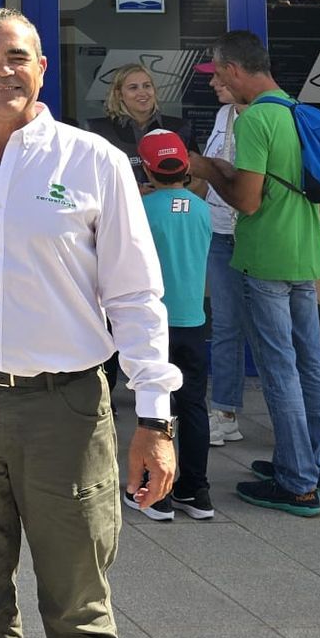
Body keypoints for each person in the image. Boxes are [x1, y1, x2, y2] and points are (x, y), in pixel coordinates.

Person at [0, 7, 179, 638]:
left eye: (17, 57)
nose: (2, 71)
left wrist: (155, 419)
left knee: (77, 606)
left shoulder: (94, 161)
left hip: (65, 411)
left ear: (41, 68)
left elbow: (135, 295)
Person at [191, 30, 320, 518]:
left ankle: (297, 484)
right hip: (304, 253)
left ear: (233, 69)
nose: (216, 82)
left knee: (279, 370)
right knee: (310, 362)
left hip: (266, 256)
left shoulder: (255, 120)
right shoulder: (301, 113)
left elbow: (247, 201)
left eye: (218, 72)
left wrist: (209, 170)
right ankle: (310, 465)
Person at [129, 130, 215, 521]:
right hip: (193, 320)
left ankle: (154, 493)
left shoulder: (142, 211)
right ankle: (195, 490)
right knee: (194, 405)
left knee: (155, 405)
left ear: (146, 169)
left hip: (154, 323)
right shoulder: (202, 209)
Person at [198, 64, 247, 446]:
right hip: (218, 233)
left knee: (270, 333)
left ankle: (294, 424)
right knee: (226, 325)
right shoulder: (222, 115)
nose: (213, 83)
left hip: (253, 236)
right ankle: (225, 411)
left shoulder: (268, 118)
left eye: (218, 76)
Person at [85, 63, 172, 188]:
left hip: (166, 200)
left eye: (147, 86)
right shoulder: (98, 130)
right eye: (133, 88)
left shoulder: (179, 128)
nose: (142, 92)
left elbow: (195, 179)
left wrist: (160, 192)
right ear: (119, 95)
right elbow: (89, 178)